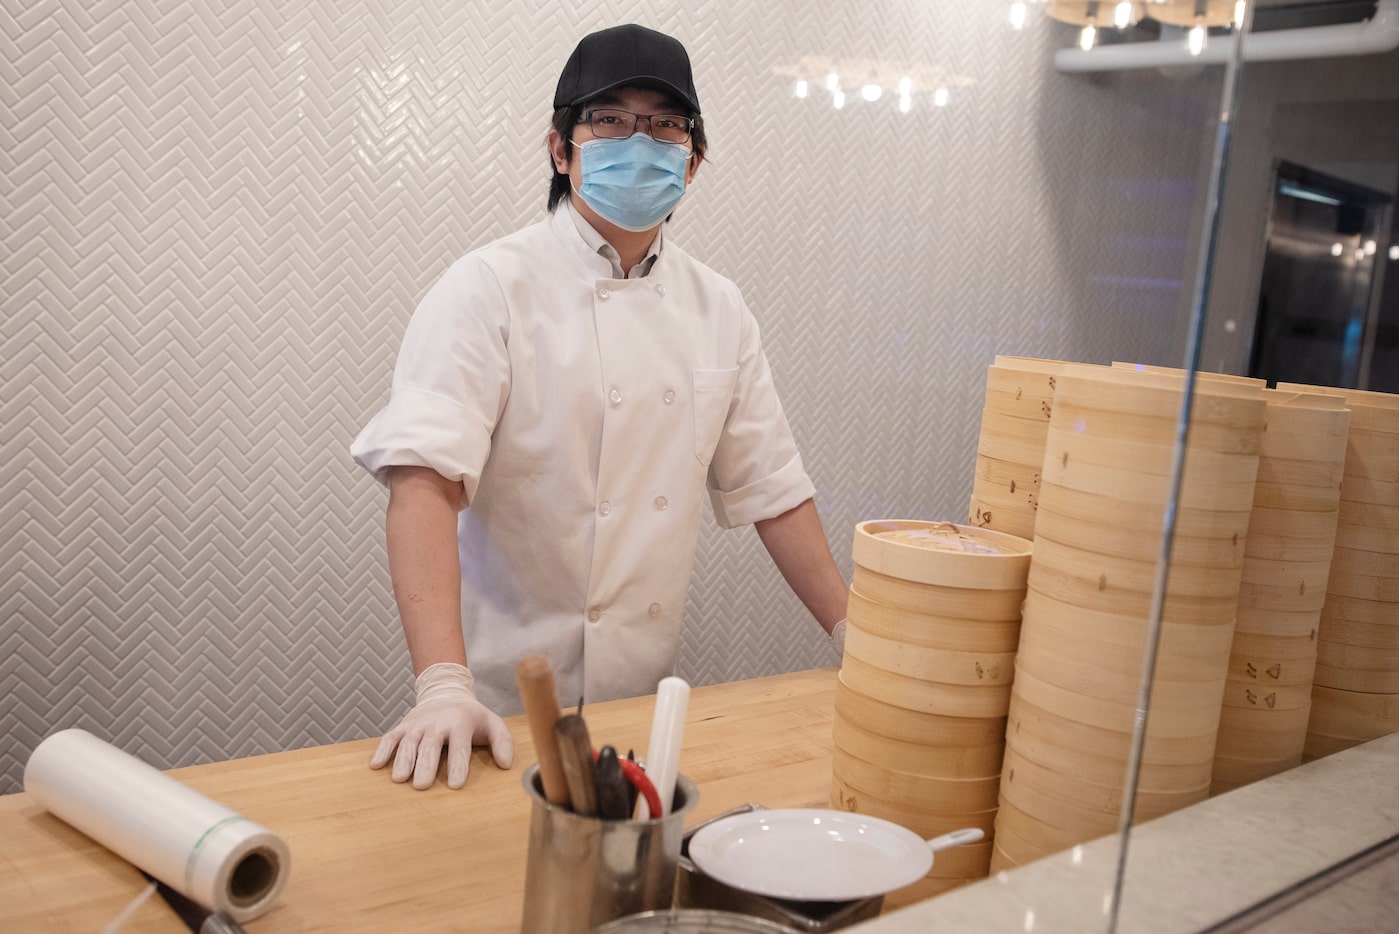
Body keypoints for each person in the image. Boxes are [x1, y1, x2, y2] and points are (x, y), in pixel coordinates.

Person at [351, 23, 849, 791]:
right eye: (609, 119)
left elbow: (773, 490)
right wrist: (441, 685)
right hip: (496, 710)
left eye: (663, 124)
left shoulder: (719, 307)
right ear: (560, 148)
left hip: (640, 711)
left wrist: (854, 637)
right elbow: (423, 483)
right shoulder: (488, 287)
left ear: (694, 158)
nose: (638, 140)